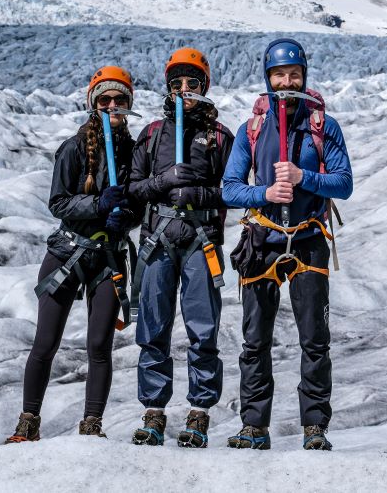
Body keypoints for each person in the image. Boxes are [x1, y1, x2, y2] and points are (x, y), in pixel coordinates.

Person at [222, 38, 353, 451]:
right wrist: (265, 194)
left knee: (315, 339)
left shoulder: (322, 126)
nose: (287, 81)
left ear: (304, 76)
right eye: (279, 75)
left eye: (294, 74)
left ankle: (315, 427)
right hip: (262, 239)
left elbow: (344, 184)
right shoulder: (252, 129)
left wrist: (302, 178)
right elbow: (229, 189)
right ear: (268, 78)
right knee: (255, 340)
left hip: (309, 238)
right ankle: (254, 426)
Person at [5, 66, 137, 443]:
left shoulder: (133, 151)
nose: (113, 105)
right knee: (45, 343)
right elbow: (58, 202)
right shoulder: (74, 148)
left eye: (120, 99)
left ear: (129, 105)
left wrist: (127, 216)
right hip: (68, 254)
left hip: (108, 258)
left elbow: (140, 202)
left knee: (99, 345)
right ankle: (27, 423)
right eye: (105, 99)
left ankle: (92, 424)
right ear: (93, 103)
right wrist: (98, 204)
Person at [127, 47, 234, 448]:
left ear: (204, 87)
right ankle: (154, 412)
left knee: (202, 330)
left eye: (192, 83)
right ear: (169, 88)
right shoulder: (153, 134)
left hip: (200, 243)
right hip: (157, 242)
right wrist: (162, 182)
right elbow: (132, 189)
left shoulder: (221, 138)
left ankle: (199, 413)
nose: (185, 89)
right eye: (178, 84)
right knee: (152, 328)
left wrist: (200, 193)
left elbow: (236, 190)